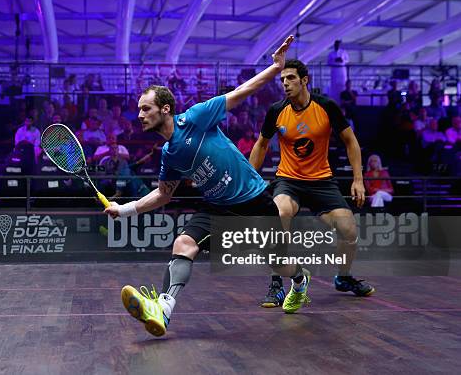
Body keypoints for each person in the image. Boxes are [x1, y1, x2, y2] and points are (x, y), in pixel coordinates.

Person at [105, 36, 310, 337]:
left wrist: (274, 68)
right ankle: (163, 310)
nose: (139, 115)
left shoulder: (197, 117)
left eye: (145, 108)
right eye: (139, 110)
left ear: (165, 109)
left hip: (254, 200)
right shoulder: (169, 155)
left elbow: (242, 91)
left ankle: (300, 281)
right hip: (215, 207)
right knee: (183, 244)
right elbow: (164, 194)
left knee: (279, 264)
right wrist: (123, 210)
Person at [249, 59, 374, 309]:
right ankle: (276, 283)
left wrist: (358, 180)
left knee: (348, 231)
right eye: (283, 79)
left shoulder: (326, 106)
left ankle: (343, 277)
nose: (285, 83)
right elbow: (261, 144)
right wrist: (250, 181)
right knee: (280, 213)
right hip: (288, 180)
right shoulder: (276, 110)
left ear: (305, 80)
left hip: (321, 182)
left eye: (291, 78)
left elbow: (351, 141)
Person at [327, 40, 349, 104]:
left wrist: (342, 60)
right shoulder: (331, 53)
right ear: (334, 45)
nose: (337, 45)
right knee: (334, 86)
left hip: (342, 70)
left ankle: (342, 101)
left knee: (342, 85)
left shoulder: (344, 52)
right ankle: (335, 102)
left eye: (338, 44)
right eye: (336, 44)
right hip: (334, 70)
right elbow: (328, 62)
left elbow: (347, 60)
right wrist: (334, 60)